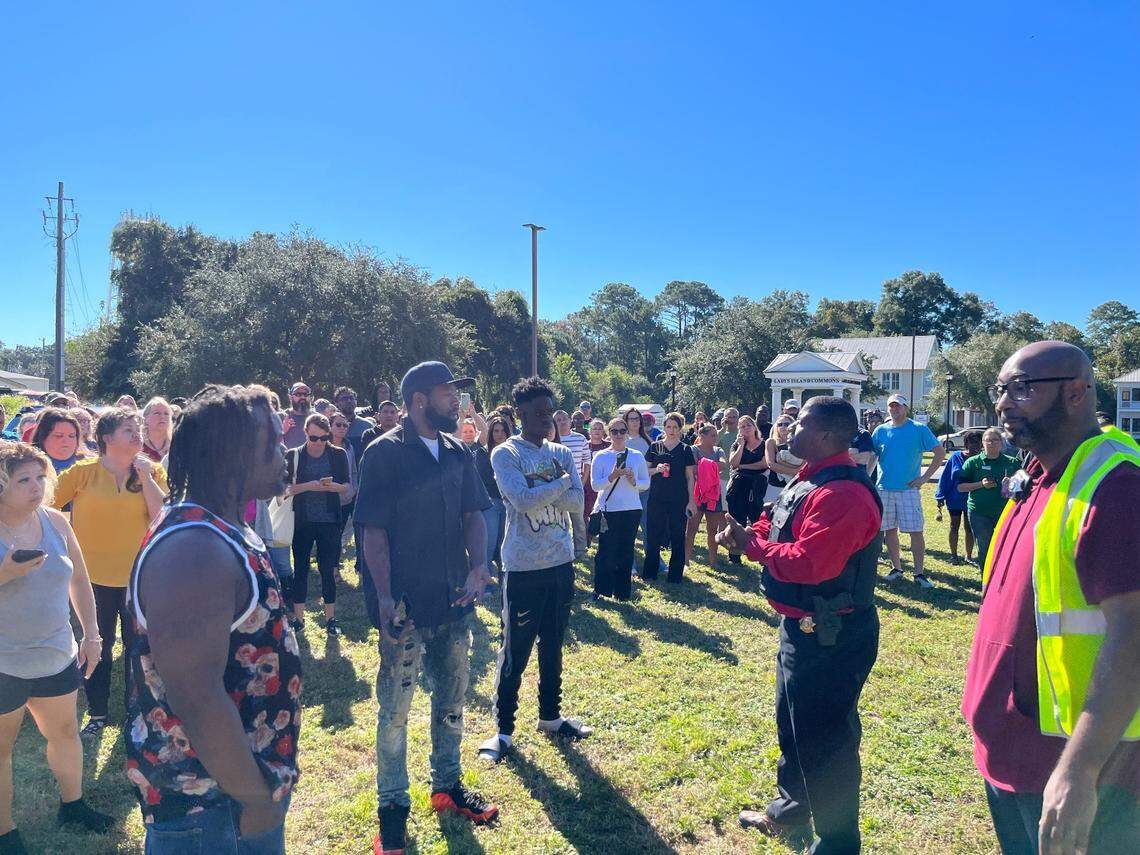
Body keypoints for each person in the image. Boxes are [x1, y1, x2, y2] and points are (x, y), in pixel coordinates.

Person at [962, 340, 1140, 854]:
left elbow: (1135, 633)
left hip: (1077, 771)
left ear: (1077, 393)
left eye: (1022, 389)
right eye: (1000, 390)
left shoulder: (1116, 487)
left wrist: (1079, 770)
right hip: (1013, 752)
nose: (1003, 403)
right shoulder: (1040, 478)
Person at [123, 384, 301, 855]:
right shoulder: (194, 550)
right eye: (273, 439)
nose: (284, 447)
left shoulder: (223, 528)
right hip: (211, 810)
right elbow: (195, 696)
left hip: (232, 797)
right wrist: (254, 798)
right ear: (234, 453)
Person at [718, 397, 884, 855]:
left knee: (827, 740)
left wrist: (754, 550)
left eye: (801, 423)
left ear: (829, 435)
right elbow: (776, 525)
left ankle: (837, 842)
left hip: (833, 635)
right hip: (802, 629)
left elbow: (813, 563)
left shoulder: (844, 494)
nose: (788, 428)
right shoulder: (808, 480)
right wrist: (748, 532)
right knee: (793, 725)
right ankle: (790, 810)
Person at [354, 361, 496, 855]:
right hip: (406, 609)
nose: (456, 402)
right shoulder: (383, 455)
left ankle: (447, 787)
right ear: (418, 400)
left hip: (454, 600)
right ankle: (392, 808)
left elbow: (473, 515)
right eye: (446, 393)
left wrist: (479, 566)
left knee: (452, 700)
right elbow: (373, 532)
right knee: (395, 712)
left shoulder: (459, 452)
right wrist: (387, 597)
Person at [0, 444, 110, 851]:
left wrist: (92, 634)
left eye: (40, 477)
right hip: (4, 661)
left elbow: (79, 579)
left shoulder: (56, 522)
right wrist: (5, 573)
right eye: (22, 480)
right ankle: (5, 831)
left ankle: (73, 805)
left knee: (65, 732)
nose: (36, 487)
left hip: (55, 654)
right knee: (1, 749)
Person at [478, 377, 590, 764]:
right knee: (516, 650)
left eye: (550, 411)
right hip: (523, 567)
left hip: (560, 563)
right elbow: (523, 501)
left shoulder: (561, 451)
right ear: (520, 414)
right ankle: (504, 731)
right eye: (540, 413)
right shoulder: (505, 455)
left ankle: (551, 717)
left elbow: (578, 503)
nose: (548, 419)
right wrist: (559, 483)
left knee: (554, 643)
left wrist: (552, 488)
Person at [53, 408, 167, 738]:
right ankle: (98, 713)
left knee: (139, 650)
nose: (137, 435)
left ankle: (139, 712)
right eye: (128, 430)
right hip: (91, 581)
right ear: (106, 438)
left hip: (139, 579)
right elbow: (46, 508)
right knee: (96, 648)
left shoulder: (152, 471)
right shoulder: (81, 473)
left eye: (138, 429)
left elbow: (161, 517)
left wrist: (146, 477)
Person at [285, 413, 350, 636]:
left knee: (327, 570)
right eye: (314, 438)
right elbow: (286, 490)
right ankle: (299, 620)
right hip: (302, 520)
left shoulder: (338, 454)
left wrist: (335, 488)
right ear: (305, 433)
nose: (319, 443)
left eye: (324, 438)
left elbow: (346, 486)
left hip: (329, 520)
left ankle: (331, 618)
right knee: (301, 569)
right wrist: (309, 485)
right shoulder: (293, 456)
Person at [872, 394, 945, 589]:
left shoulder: (918, 429)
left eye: (898, 406)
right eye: (891, 406)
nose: (894, 409)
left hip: (908, 490)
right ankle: (897, 568)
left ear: (905, 408)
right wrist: (866, 478)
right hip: (884, 488)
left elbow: (939, 453)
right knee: (889, 531)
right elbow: (872, 457)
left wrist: (924, 478)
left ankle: (919, 573)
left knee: (915, 531)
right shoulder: (880, 431)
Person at [589, 419, 650, 601]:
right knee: (606, 552)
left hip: (631, 510)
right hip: (608, 510)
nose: (618, 435)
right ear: (609, 433)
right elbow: (594, 485)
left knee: (626, 552)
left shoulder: (637, 455)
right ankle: (601, 590)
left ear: (626, 433)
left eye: (622, 431)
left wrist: (633, 481)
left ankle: (622, 593)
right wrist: (613, 475)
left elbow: (645, 483)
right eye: (614, 431)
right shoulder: (600, 456)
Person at [643, 412, 698, 583]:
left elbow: (690, 477)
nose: (672, 430)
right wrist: (657, 469)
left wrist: (691, 501)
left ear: (681, 428)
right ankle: (650, 573)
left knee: (677, 535)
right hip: (657, 497)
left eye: (675, 427)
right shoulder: (655, 447)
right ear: (664, 427)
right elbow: (645, 471)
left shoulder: (685, 449)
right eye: (668, 426)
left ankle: (675, 576)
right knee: (653, 535)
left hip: (678, 498)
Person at [958, 426, 1021, 570]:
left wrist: (1011, 485)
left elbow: (1023, 488)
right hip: (979, 513)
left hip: (1005, 513)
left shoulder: (1012, 463)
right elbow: (961, 487)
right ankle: (985, 580)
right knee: (984, 548)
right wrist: (981, 484)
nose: (991, 443)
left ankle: (1002, 578)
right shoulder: (973, 462)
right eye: (988, 440)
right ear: (983, 443)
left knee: (1005, 547)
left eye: (995, 440)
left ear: (1001, 442)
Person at [934, 431, 980, 564]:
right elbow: (946, 477)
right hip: (954, 497)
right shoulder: (955, 457)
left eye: (977, 442)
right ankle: (954, 556)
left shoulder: (981, 459)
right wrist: (940, 495)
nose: (975, 445)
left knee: (969, 527)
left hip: (972, 498)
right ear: (966, 443)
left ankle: (969, 556)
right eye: (972, 442)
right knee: (954, 525)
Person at [726, 416, 769, 557]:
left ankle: (759, 552)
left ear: (754, 426)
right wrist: (741, 446)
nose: (746, 428)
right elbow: (733, 463)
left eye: (748, 425)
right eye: (742, 426)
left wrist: (743, 466)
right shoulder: (737, 444)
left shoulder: (764, 444)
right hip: (739, 485)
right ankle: (734, 554)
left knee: (757, 518)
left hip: (756, 486)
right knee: (737, 518)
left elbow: (764, 464)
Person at [686, 423, 728, 568]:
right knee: (691, 528)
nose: (716, 438)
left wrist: (703, 465)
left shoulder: (719, 450)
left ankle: (713, 561)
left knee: (712, 529)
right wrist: (711, 468)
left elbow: (723, 465)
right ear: (702, 436)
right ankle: (686, 560)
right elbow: (691, 469)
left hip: (714, 495)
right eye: (712, 435)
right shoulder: (693, 449)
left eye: (716, 435)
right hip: (697, 494)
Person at [474, 416, 510, 574]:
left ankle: (505, 577)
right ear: (490, 432)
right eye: (496, 430)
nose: (499, 434)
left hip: (510, 502)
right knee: (488, 543)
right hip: (492, 502)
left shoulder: (514, 452)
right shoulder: (482, 452)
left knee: (505, 542)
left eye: (503, 431)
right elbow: (486, 479)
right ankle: (485, 579)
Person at [329, 411, 360, 561]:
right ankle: (332, 567)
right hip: (328, 498)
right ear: (330, 426)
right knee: (331, 534)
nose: (342, 428)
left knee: (341, 533)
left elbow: (353, 471)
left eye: (345, 425)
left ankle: (335, 564)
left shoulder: (349, 446)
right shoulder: (324, 446)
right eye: (338, 424)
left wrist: (353, 489)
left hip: (347, 498)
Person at [582, 419, 610, 548]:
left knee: (604, 515)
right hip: (587, 485)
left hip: (604, 485)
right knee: (585, 514)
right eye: (594, 428)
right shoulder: (585, 446)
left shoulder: (608, 445)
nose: (597, 431)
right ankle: (586, 541)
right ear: (590, 431)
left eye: (600, 428)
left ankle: (606, 542)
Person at [31, 408, 83, 474]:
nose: (66, 441)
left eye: (71, 436)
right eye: (59, 436)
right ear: (42, 437)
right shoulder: (28, 467)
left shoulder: (89, 466)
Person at [333, 387, 375, 463]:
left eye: (351, 398)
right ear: (336, 403)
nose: (349, 401)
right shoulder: (331, 426)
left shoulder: (367, 426)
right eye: (344, 398)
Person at [766, 415, 801, 503]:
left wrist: (781, 462)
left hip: (796, 486)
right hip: (775, 486)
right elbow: (771, 464)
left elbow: (805, 464)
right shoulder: (771, 442)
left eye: (786, 424)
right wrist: (794, 471)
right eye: (780, 424)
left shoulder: (800, 442)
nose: (783, 427)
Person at [140, 397, 174, 463]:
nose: (162, 417)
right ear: (146, 418)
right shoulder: (138, 444)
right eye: (157, 413)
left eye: (166, 414)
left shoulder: (175, 443)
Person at [281, 382, 312, 449]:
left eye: (305, 394)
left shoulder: (316, 418)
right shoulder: (281, 417)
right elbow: (269, 442)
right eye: (298, 394)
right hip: (288, 458)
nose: (303, 397)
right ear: (290, 397)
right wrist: (282, 431)